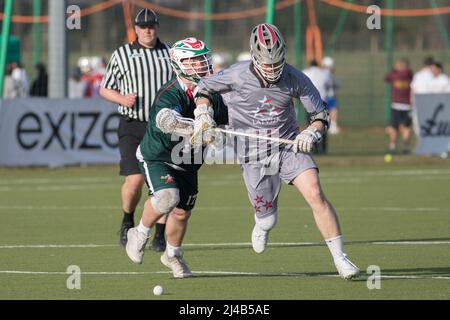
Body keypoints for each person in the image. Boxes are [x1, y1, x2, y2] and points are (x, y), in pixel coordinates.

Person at [194, 23, 360, 280]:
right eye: (266, 64)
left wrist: (311, 132)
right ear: (254, 56)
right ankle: (262, 224)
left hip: (288, 145)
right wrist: (203, 112)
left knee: (315, 193)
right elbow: (203, 88)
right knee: (267, 219)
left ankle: (341, 259)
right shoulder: (236, 74)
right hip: (253, 152)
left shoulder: (295, 78)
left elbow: (320, 115)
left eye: (276, 62)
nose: (272, 69)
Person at [125, 37, 228, 278]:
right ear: (179, 64)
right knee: (168, 196)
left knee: (182, 212)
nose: (201, 66)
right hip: (158, 156)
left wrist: (216, 134)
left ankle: (172, 254)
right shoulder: (170, 93)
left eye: (203, 60)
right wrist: (198, 126)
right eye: (194, 61)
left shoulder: (214, 94)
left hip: (189, 163)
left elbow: (221, 131)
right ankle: (138, 232)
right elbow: (167, 121)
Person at [100, 8, 173, 251]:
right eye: (143, 26)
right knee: (135, 180)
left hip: (162, 128)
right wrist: (122, 99)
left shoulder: (170, 53)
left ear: (158, 26)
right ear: (136, 29)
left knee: (163, 183)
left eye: (151, 25)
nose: (147, 30)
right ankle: (127, 220)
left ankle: (160, 235)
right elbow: (105, 88)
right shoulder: (123, 54)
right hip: (133, 125)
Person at [302, 59, 333, 153]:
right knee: (323, 126)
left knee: (311, 126)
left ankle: (313, 149)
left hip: (310, 103)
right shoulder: (325, 73)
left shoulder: (305, 72)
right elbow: (329, 86)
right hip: (323, 102)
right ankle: (323, 149)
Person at [384, 58, 413, 154]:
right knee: (406, 127)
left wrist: (394, 69)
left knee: (395, 127)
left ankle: (393, 147)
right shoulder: (410, 75)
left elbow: (386, 78)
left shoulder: (394, 74)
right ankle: (404, 147)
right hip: (405, 106)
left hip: (399, 105)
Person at [321, 56, 340, 134]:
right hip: (328, 96)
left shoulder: (323, 73)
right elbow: (329, 84)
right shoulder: (326, 73)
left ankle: (330, 126)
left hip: (324, 96)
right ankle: (333, 127)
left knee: (329, 111)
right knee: (333, 110)